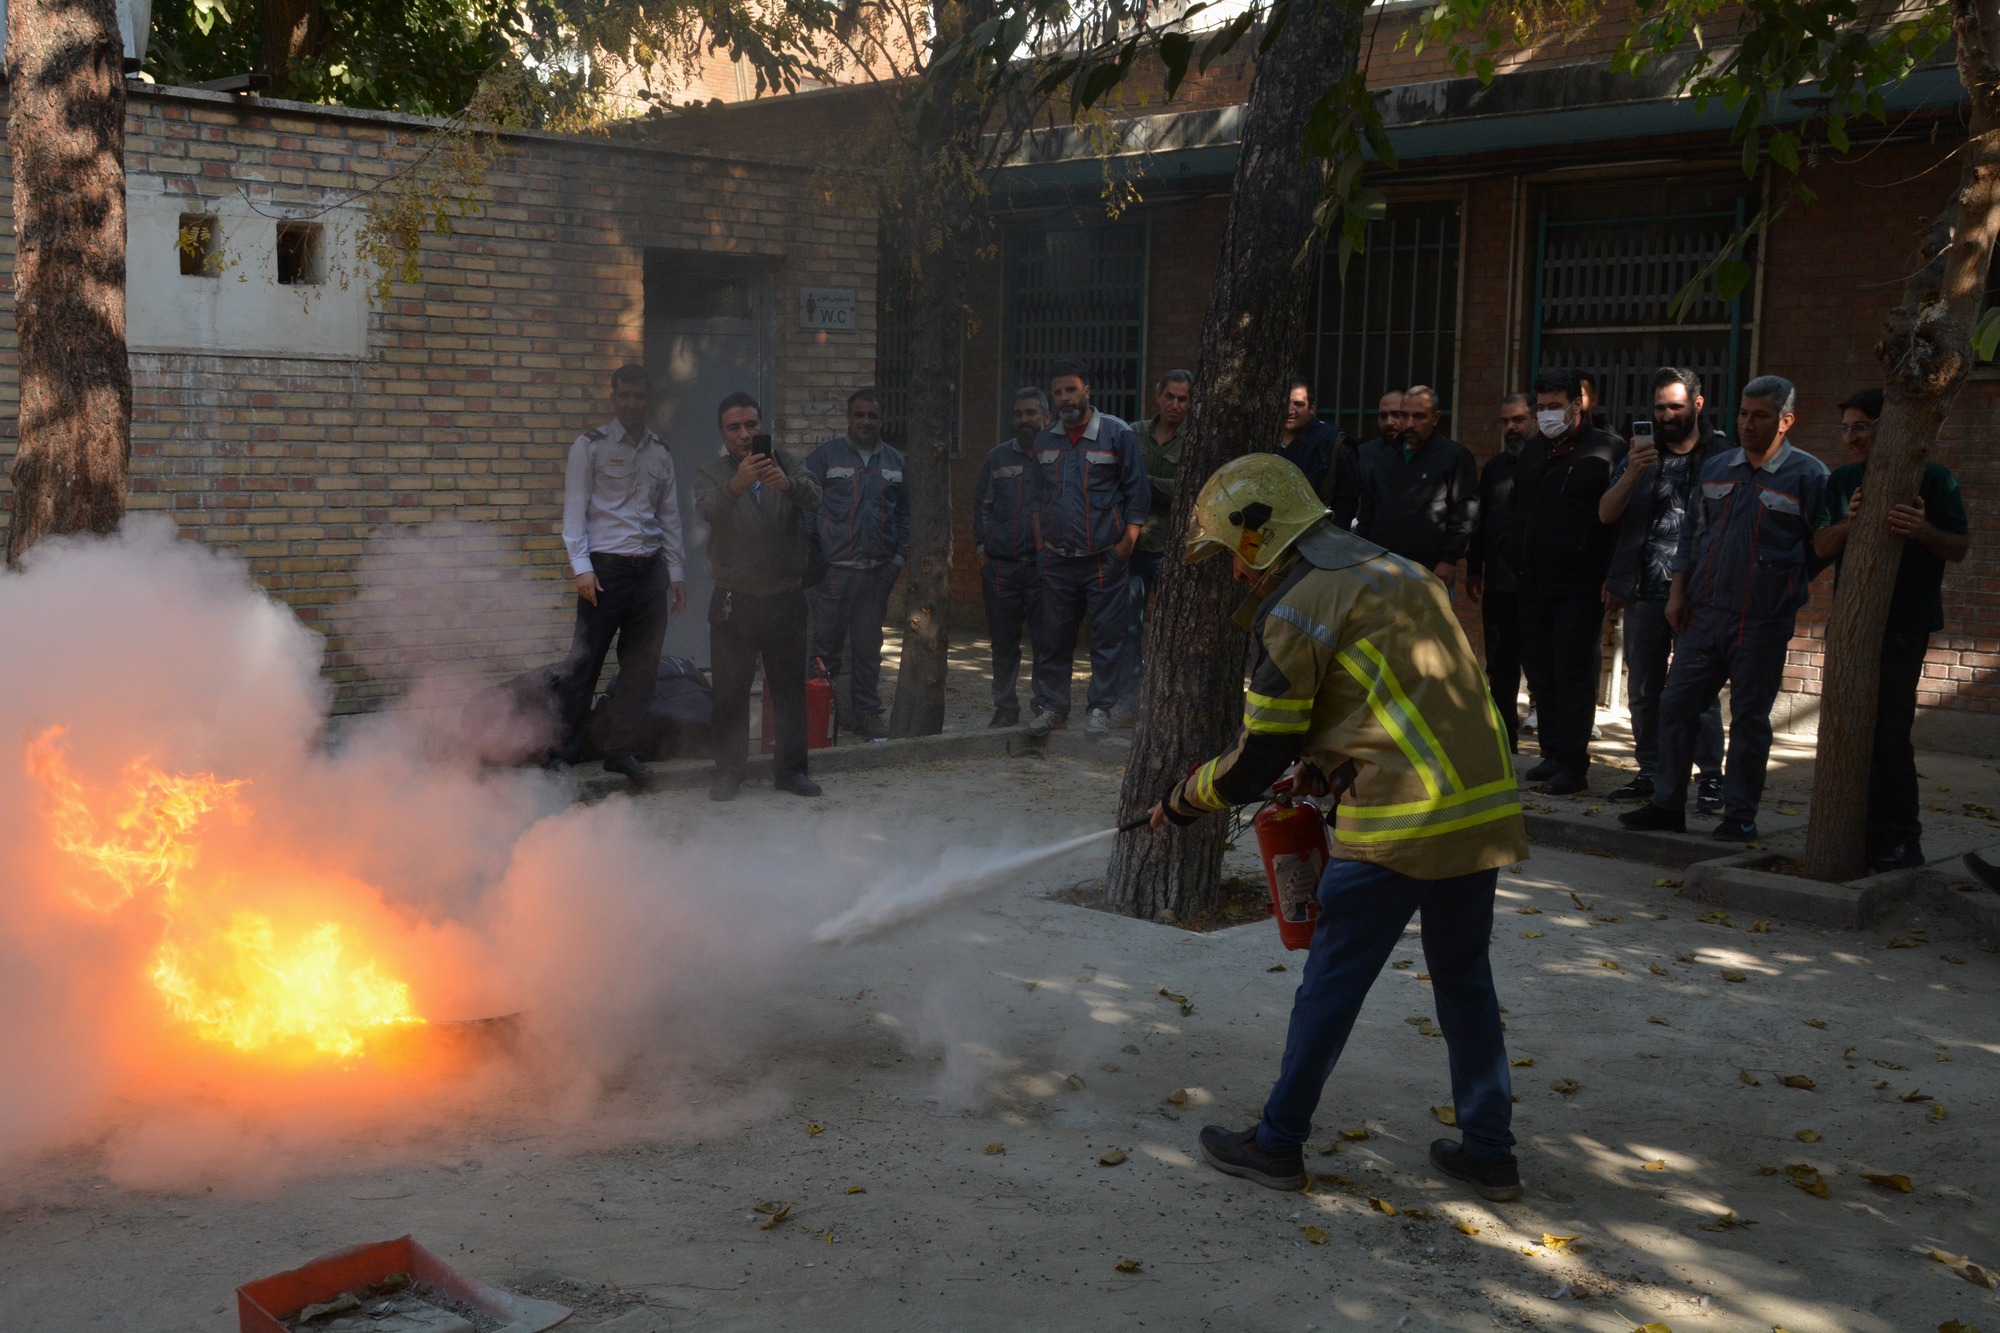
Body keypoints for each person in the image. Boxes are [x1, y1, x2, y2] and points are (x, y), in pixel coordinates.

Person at [1145, 453, 1529, 1202]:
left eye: (1229, 554)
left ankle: (1278, 1141)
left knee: (1330, 983)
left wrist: (1183, 798)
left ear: (1259, 537)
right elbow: (1397, 695)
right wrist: (1330, 761)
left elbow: (1257, 758)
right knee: (1464, 980)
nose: (1230, 575)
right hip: (1478, 806)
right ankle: (1490, 1150)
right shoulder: (1398, 570)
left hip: (1401, 820)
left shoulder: (1294, 605)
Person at [1622, 376, 1830, 841]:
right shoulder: (1717, 469)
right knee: (1676, 706)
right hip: (1703, 613)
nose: (1747, 424)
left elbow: (1821, 546)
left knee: (1751, 719)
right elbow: (1690, 539)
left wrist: (1783, 582)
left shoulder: (1809, 476)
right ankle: (1667, 804)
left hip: (1762, 620)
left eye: (1760, 415)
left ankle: (1739, 815)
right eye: (1742, 413)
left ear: (1785, 421)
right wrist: (1677, 594)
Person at [1812, 388, 1970, 870]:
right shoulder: (1842, 481)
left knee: (1890, 733)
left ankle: (1901, 838)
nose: (1851, 438)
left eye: (1861, 427)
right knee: (1848, 727)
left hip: (1906, 624)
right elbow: (1820, 545)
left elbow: (1959, 547)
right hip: (1851, 626)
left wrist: (1922, 530)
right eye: (1846, 428)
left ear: (1889, 430)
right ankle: (1857, 832)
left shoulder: (1936, 480)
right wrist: (1849, 523)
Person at [1600, 368, 1728, 811]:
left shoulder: (1721, 455)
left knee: (1700, 690)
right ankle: (1651, 771)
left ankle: (1711, 777)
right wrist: (1632, 474)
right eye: (1659, 407)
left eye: (1675, 406)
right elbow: (1606, 514)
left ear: (1697, 403)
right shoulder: (1641, 454)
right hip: (1644, 591)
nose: (1667, 415)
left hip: (1700, 592)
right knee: (1644, 688)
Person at [554, 364, 687, 789]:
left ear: (649, 400)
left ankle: (620, 751)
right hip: (604, 572)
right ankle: (563, 752)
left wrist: (676, 571)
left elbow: (670, 517)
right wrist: (582, 569)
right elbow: (574, 512)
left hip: (649, 575)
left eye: (639, 396)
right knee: (583, 666)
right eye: (624, 395)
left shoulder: (660, 453)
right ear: (613, 398)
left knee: (640, 669)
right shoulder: (589, 446)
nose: (631, 402)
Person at [691, 391, 825, 802]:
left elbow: (815, 496)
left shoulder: (788, 464)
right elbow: (707, 510)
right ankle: (728, 773)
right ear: (723, 433)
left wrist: (785, 484)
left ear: (763, 426)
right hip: (736, 602)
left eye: (752, 425)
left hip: (785, 598)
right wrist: (737, 485)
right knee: (730, 693)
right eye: (735, 427)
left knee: (788, 690)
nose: (745, 434)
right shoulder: (711, 473)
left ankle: (791, 772)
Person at [1502, 369, 1626, 795]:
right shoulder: (1535, 451)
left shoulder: (1607, 450)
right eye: (1543, 406)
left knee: (1572, 673)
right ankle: (1552, 753)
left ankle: (1574, 765)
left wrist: (1613, 577)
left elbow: (1618, 522)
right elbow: (1518, 507)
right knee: (1540, 672)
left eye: (1556, 406)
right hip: (1532, 580)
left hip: (1580, 583)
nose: (1547, 414)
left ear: (1580, 404)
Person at [1026, 358, 1149, 739]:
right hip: (1058, 560)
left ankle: (1100, 709)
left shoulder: (1117, 434)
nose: (1065, 398)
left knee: (1107, 639)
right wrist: (1041, 547)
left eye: (1071, 390)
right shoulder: (1046, 439)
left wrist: (1124, 547)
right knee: (1053, 638)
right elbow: (1035, 497)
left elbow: (1137, 494)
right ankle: (1053, 708)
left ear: (1087, 391)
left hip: (1104, 560)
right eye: (1059, 392)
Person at [805, 389, 910, 741]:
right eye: (860, 415)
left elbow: (906, 516)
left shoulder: (896, 462)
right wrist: (814, 559)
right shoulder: (826, 457)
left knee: (868, 650)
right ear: (848, 418)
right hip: (833, 575)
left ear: (882, 420)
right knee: (824, 651)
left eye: (873, 416)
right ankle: (820, 721)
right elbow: (804, 506)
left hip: (875, 575)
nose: (866, 421)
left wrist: (896, 561)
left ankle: (867, 716)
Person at [974, 388, 1050, 727]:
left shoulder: (1057, 456)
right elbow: (981, 507)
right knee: (1003, 642)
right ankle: (1005, 707)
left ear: (1046, 418)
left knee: (1046, 641)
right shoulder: (998, 457)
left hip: (1043, 567)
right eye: (1019, 413)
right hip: (1002, 567)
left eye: (1031, 413)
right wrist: (982, 552)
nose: (1024, 420)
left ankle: (1043, 707)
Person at [1121, 370, 1193, 720]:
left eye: (1183, 399)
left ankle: (1162, 704)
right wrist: (1159, 486)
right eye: (1170, 397)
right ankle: (1130, 703)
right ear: (1158, 397)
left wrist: (1143, 483)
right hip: (1133, 548)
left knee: (1169, 630)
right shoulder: (1133, 434)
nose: (1175, 405)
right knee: (1128, 627)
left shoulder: (1194, 441)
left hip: (1170, 551)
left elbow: (1186, 490)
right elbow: (1119, 480)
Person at [1355, 385, 1478, 589]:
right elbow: (1369, 510)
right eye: (1404, 415)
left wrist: (1449, 559)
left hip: (1429, 570)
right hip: (1383, 567)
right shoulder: (1385, 458)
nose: (1409, 424)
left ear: (1436, 418)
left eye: (1419, 417)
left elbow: (1465, 512)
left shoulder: (1454, 457)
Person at [1466, 393, 1531, 752]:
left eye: (1518, 420)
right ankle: (1505, 741)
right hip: (1499, 585)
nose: (1511, 428)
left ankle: (1555, 750)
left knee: (1540, 668)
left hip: (1537, 587)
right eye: (1506, 421)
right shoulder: (1495, 468)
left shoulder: (1545, 464)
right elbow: (1481, 522)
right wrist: (1474, 568)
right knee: (1500, 670)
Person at [1278, 377, 1358, 526]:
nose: (1290, 410)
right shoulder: (1267, 438)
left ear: (1312, 408)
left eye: (1299, 404)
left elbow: (1346, 502)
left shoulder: (1333, 442)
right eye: (1286, 403)